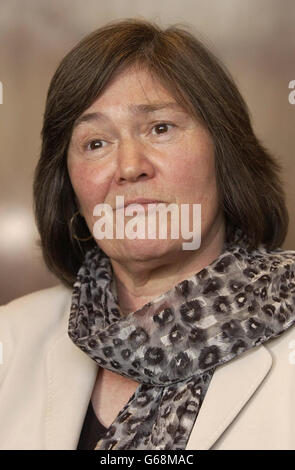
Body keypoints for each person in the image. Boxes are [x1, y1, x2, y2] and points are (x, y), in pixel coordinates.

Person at [0, 18, 295, 451]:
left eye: (160, 128)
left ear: (225, 154)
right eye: (96, 143)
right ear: (68, 185)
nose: (129, 166)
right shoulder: (9, 338)